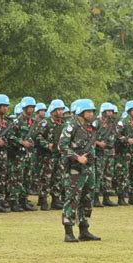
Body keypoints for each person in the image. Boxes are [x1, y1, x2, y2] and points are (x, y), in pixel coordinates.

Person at [59, 99, 101, 242]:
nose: (91, 114)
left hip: (89, 168)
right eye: (88, 111)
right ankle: (68, 232)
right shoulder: (71, 126)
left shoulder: (91, 127)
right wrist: (77, 157)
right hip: (74, 169)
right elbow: (62, 146)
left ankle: (84, 229)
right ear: (80, 112)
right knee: (72, 199)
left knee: (88, 198)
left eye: (92, 111)